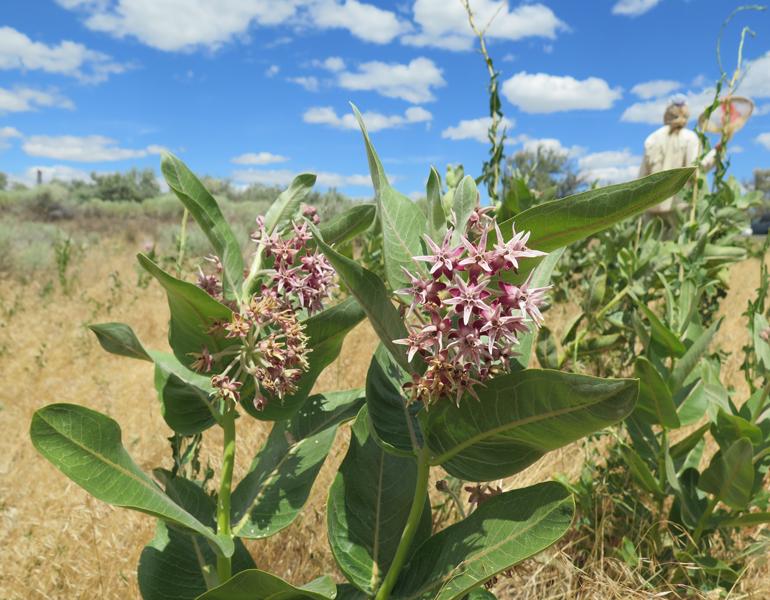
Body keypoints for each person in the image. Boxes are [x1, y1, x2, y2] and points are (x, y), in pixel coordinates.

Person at [638, 97, 713, 219]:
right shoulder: (690, 138)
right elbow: (694, 170)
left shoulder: (652, 138)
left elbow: (642, 176)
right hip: (679, 207)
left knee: (652, 237)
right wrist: (716, 153)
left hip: (651, 205)